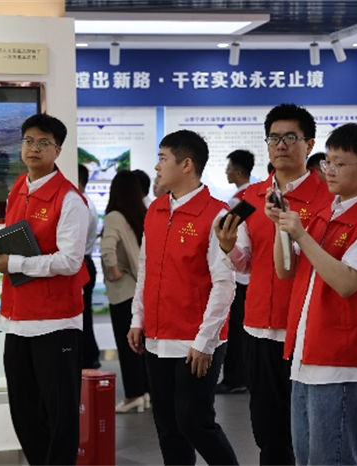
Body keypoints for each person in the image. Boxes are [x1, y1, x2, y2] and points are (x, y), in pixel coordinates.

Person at [269, 123, 357, 465]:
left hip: (341, 360)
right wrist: (281, 227)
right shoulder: (325, 214)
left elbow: (347, 282)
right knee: (306, 458)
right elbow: (286, 270)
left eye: (340, 164)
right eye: (328, 161)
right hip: (306, 351)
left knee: (332, 459)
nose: (329, 170)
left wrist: (302, 235)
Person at [214, 104, 333, 466]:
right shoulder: (251, 199)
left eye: (290, 137)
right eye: (274, 138)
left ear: (309, 143)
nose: (281, 145)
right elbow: (246, 263)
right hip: (259, 327)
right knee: (267, 429)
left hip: (308, 328)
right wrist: (228, 247)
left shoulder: (328, 197)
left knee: (309, 429)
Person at [127, 129, 239, 466]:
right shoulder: (156, 209)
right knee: (167, 427)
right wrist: (138, 318)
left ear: (186, 164)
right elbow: (145, 267)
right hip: (156, 337)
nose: (157, 166)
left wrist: (205, 341)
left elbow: (224, 283)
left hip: (195, 341)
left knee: (194, 422)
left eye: (163, 158)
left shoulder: (217, 214)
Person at [0, 114, 89, 466]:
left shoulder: (70, 199)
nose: (34, 148)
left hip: (55, 322)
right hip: (17, 318)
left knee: (60, 415)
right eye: (28, 141)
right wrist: (0, 251)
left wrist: (15, 263)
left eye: (43, 143)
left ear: (58, 150)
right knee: (24, 411)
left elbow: (70, 262)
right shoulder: (18, 187)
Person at [101, 170, 150, 413]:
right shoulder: (140, 214)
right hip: (140, 289)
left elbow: (107, 248)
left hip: (123, 291)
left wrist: (113, 271)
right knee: (141, 345)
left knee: (127, 345)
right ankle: (146, 392)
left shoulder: (114, 217)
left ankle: (133, 395)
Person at [216, 149, 255, 395]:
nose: (226, 172)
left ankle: (234, 378)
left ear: (239, 171)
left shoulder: (236, 202)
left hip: (239, 274)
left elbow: (231, 239)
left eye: (229, 168)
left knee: (236, 329)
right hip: (252, 274)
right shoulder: (258, 196)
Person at [79, 163, 101, 369]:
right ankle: (90, 355)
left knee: (82, 315)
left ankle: (88, 357)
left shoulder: (82, 204)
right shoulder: (86, 202)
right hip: (85, 262)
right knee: (84, 315)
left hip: (82, 263)